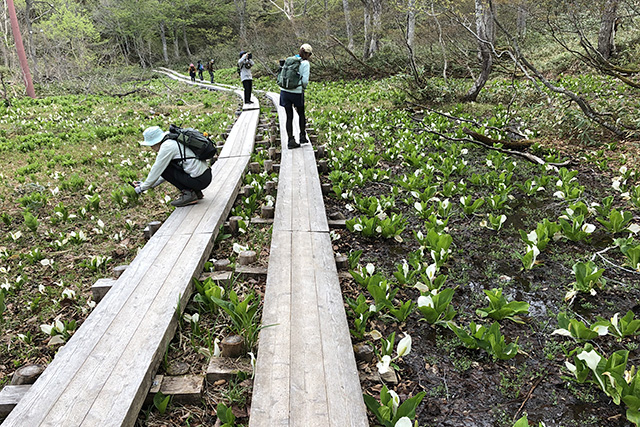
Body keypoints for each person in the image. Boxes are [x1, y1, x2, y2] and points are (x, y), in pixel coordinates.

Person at [135, 126, 212, 207]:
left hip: (199, 180)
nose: (151, 148)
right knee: (168, 168)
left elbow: (157, 170)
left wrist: (142, 188)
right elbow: (169, 175)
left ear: (156, 142)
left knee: (165, 169)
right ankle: (196, 192)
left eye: (151, 145)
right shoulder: (173, 139)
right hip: (205, 175)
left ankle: (189, 194)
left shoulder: (166, 147)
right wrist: (148, 185)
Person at [279, 44, 312, 149]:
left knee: (289, 116)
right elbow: (305, 80)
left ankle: (290, 140)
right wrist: (303, 87)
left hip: (284, 91)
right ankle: (302, 136)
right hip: (296, 92)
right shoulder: (305, 63)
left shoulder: (291, 59)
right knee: (301, 113)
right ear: (307, 54)